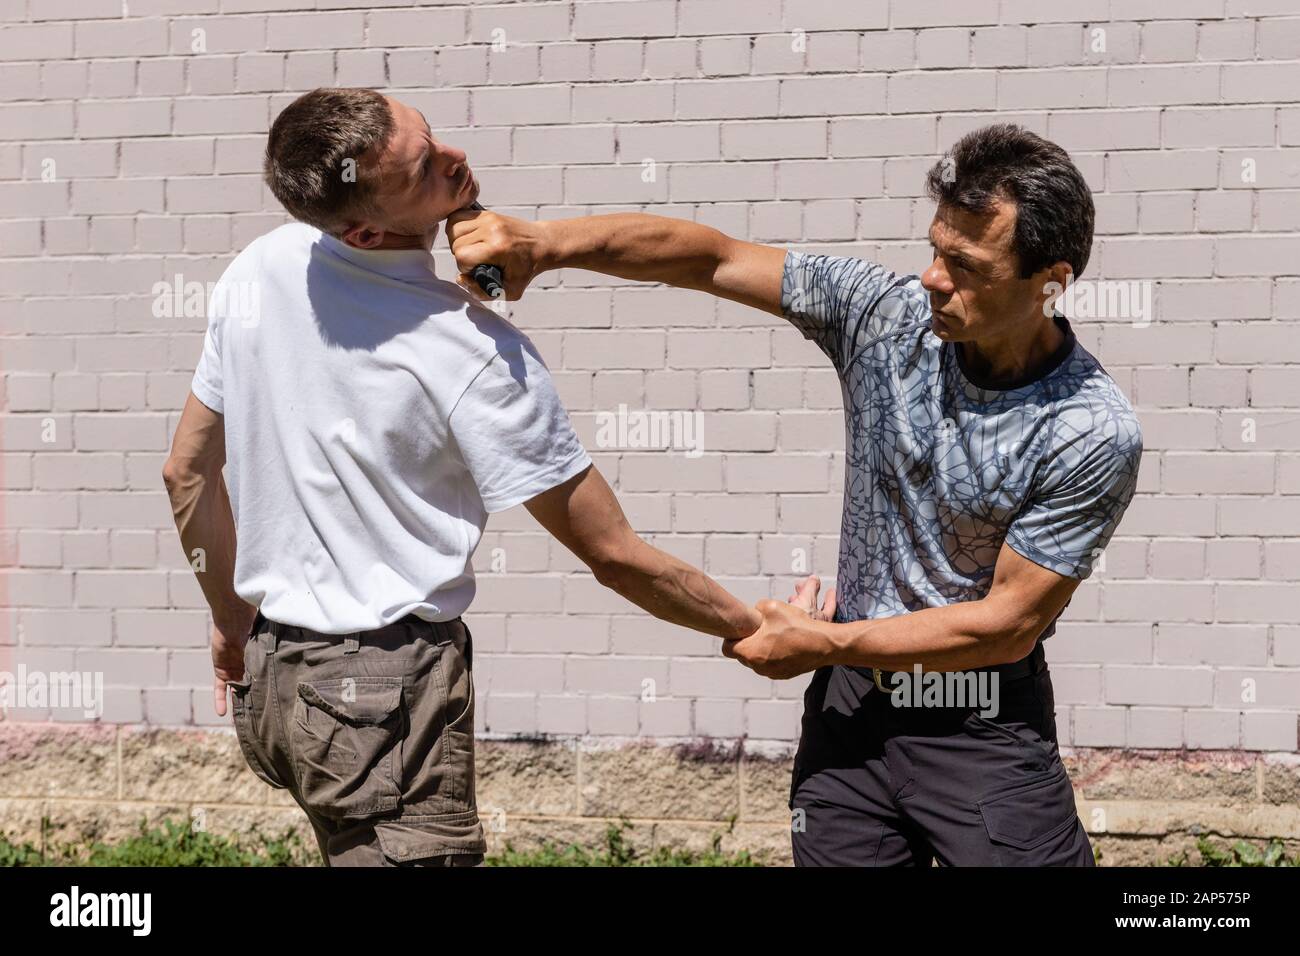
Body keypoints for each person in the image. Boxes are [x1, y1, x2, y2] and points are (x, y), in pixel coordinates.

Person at [449, 124, 1144, 866]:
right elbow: (710, 259)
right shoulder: (888, 316)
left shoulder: (1088, 429)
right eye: (936, 249)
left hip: (978, 724)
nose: (935, 277)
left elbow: (1005, 625)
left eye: (967, 265)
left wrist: (826, 643)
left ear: (1050, 280)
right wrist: (549, 245)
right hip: (851, 722)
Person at [161, 88, 760, 867]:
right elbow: (613, 553)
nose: (455, 161)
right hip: (382, 697)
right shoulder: (471, 351)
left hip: (278, 679)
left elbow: (187, 472)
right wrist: (753, 628)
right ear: (368, 226)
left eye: (433, 139)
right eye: (425, 171)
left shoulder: (264, 266)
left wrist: (232, 620)